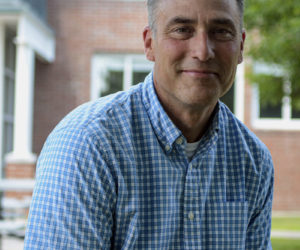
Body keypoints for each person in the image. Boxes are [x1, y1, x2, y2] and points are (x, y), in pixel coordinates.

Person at [24, 0, 274, 249]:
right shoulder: (87, 145)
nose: (203, 51)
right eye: (182, 30)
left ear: (240, 46)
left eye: (221, 32)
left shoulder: (253, 161)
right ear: (149, 43)